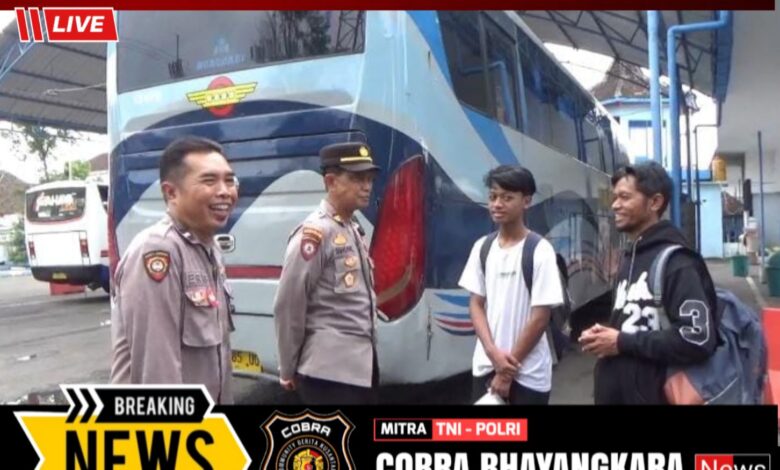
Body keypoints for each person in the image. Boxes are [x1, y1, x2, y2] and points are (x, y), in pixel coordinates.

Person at [110, 136, 238, 404]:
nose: (225, 191)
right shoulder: (158, 250)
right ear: (171, 193)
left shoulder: (209, 248)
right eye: (209, 181)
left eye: (229, 180)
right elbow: (157, 368)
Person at [579, 161, 717, 404]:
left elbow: (697, 338)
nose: (615, 205)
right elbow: (636, 324)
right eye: (615, 197)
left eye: (624, 197)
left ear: (655, 202)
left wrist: (621, 341)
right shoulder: (629, 257)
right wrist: (605, 336)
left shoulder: (678, 263)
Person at [273, 142, 380, 404]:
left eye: (369, 179)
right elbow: (289, 304)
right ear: (331, 181)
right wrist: (287, 367)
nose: (367, 186)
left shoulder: (350, 227)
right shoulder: (316, 233)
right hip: (329, 373)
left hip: (360, 366)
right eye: (357, 179)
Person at [458, 165, 563, 405]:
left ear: (526, 201)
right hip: (486, 366)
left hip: (529, 374)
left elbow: (540, 317)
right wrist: (492, 353)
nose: (497, 204)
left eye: (507, 198)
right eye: (493, 197)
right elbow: (476, 304)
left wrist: (506, 372)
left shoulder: (540, 250)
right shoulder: (482, 247)